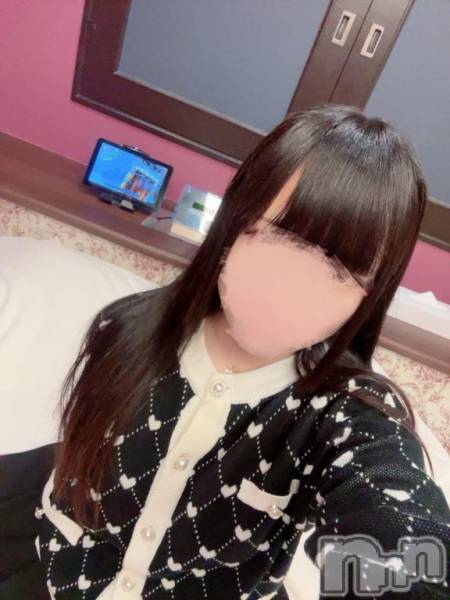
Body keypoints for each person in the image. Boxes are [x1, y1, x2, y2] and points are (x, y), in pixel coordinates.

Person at [26, 104, 450, 598]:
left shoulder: (344, 415)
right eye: (281, 235)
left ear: (370, 294)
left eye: (341, 269)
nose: (293, 285)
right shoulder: (123, 328)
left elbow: (399, 528)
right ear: (235, 220)